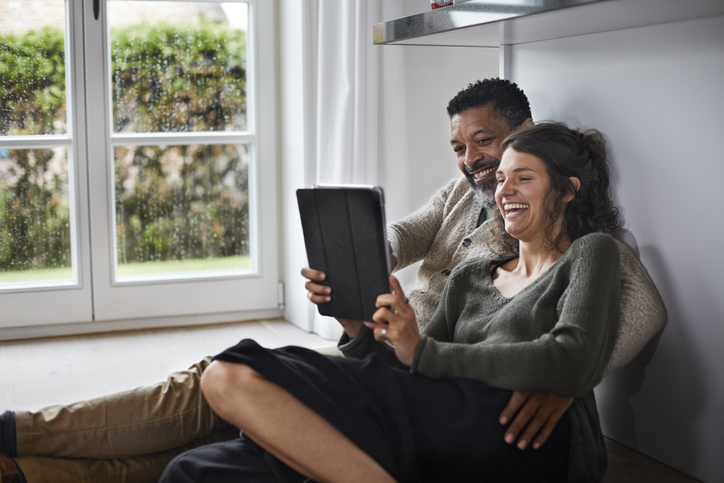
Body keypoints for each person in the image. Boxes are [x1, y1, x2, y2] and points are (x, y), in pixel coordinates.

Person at [0, 79, 665, 483]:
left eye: (488, 146)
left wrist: (564, 378)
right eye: (461, 149)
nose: (474, 164)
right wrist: (355, 282)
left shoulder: (586, 244)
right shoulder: (469, 215)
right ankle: (30, 465)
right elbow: (399, 238)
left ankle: (17, 434)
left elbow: (634, 314)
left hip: (442, 390)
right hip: (404, 366)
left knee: (225, 386)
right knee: (208, 451)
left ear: (533, 143)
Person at [160, 121, 625, 482]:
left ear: (567, 191)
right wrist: (358, 326)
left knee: (231, 374)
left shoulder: (590, 252)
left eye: (522, 178)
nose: (503, 192)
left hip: (519, 437)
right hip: (434, 421)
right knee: (195, 472)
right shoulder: (469, 277)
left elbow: (572, 359)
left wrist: (422, 351)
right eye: (502, 180)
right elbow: (409, 373)